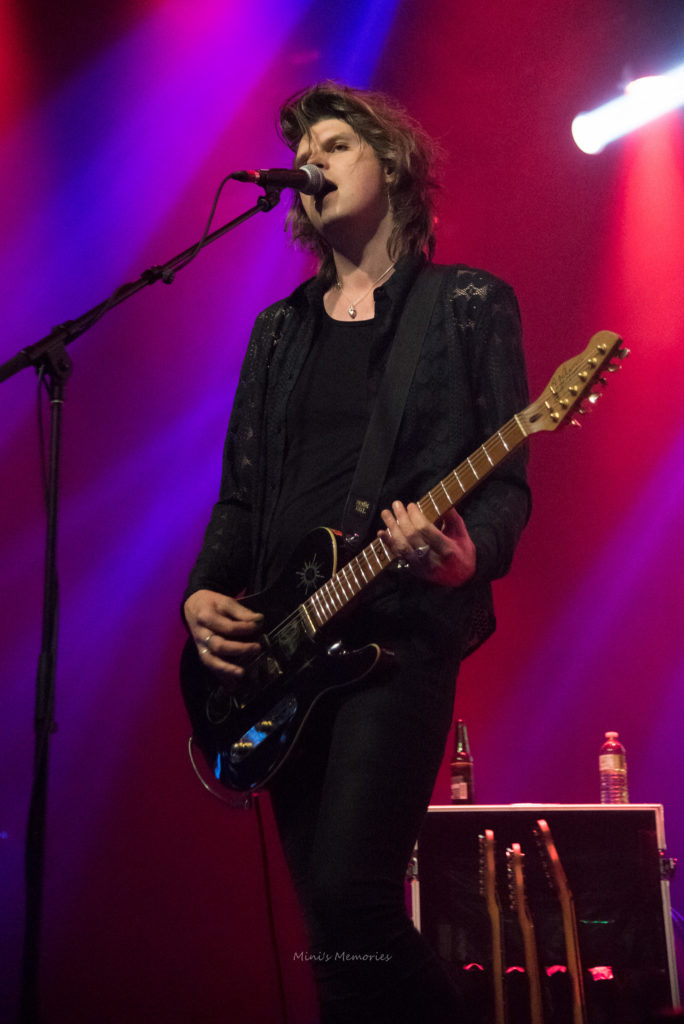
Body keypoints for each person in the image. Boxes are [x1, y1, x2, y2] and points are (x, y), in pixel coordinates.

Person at [183, 81, 531, 1024]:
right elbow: (241, 495)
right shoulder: (277, 332)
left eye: (336, 145)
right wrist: (203, 594)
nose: (311, 162)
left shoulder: (466, 306)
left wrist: (467, 556)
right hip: (286, 652)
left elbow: (507, 484)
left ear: (395, 164)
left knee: (353, 899)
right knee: (335, 948)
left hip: (396, 641)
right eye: (304, 152)